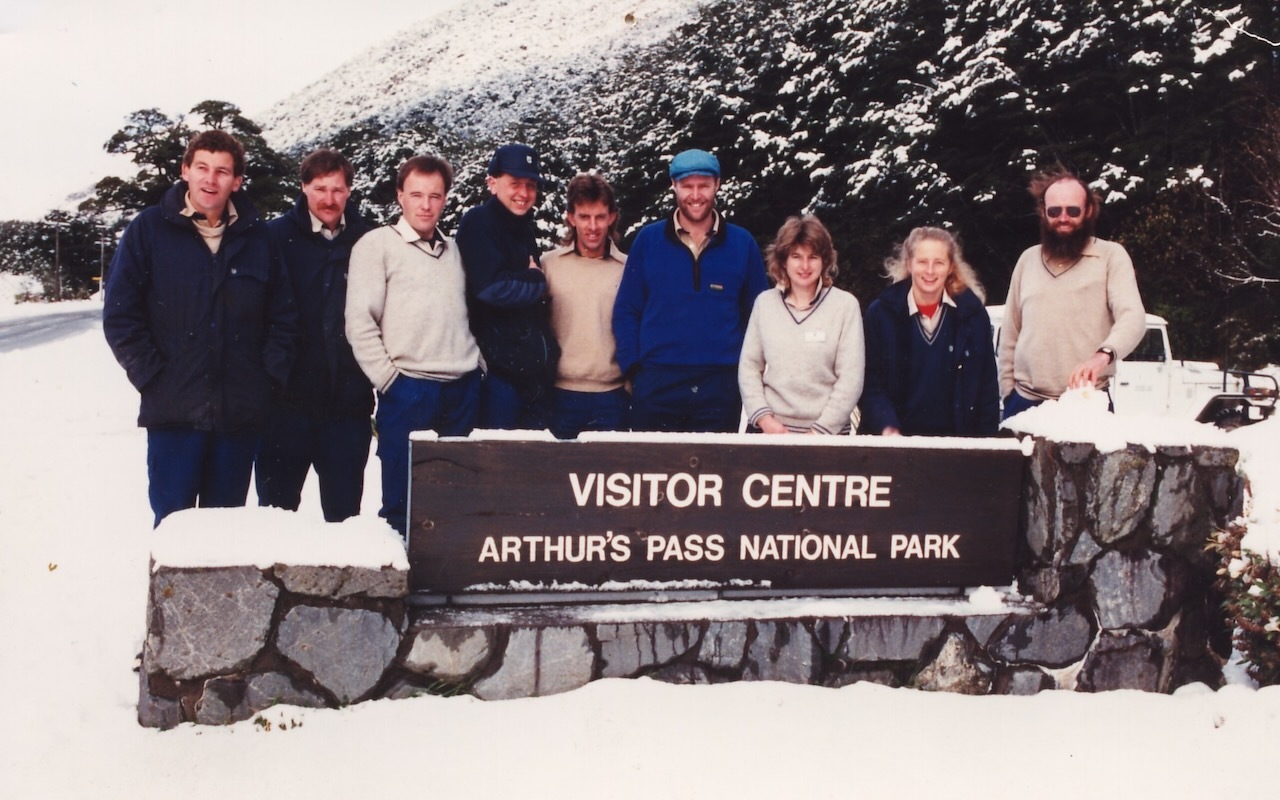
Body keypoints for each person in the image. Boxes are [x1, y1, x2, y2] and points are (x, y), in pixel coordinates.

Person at [103, 130, 297, 527]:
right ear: (185, 171)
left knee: (223, 533)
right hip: (173, 412)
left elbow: (284, 318)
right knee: (172, 528)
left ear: (236, 181)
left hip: (238, 416)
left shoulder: (259, 238)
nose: (211, 179)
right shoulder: (149, 229)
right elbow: (121, 315)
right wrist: (151, 377)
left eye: (222, 171)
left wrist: (264, 380)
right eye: (202, 168)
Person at [345, 155, 481, 536]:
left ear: (445, 199)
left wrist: (478, 366)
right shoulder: (376, 245)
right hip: (409, 390)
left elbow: (468, 312)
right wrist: (390, 381)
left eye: (435, 196)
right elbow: (359, 321)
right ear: (400, 196)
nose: (426, 205)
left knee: (455, 505)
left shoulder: (454, 251)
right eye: (417, 195)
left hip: (462, 388)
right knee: (402, 507)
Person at [613, 148, 769, 432]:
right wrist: (634, 369)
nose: (696, 195)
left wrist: (744, 372)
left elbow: (759, 317)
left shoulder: (742, 243)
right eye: (687, 186)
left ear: (717, 184)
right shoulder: (648, 241)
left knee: (714, 462)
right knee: (654, 462)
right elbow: (626, 310)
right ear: (674, 185)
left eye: (703, 186)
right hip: (657, 381)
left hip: (720, 385)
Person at [255, 148, 374, 522]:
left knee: (344, 517)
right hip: (284, 404)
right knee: (275, 515)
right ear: (304, 186)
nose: (329, 199)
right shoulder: (273, 237)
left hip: (347, 405)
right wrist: (270, 375)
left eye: (337, 189)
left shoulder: (368, 239)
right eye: (320, 188)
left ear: (349, 190)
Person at [998, 164, 1146, 419]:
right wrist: (1008, 393)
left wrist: (1103, 356)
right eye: (1054, 211)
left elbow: (1133, 318)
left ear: (1088, 211)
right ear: (1043, 212)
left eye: (1073, 210)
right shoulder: (1027, 260)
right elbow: (1010, 331)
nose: (1063, 218)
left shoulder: (1111, 257)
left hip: (1086, 403)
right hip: (1024, 404)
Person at [858, 227, 999, 436]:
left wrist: (984, 446)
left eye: (939, 262)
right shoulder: (881, 314)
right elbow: (870, 383)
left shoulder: (973, 315)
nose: (930, 271)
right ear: (909, 264)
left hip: (956, 444)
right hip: (895, 443)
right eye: (922, 262)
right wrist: (887, 427)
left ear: (951, 267)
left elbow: (987, 390)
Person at [456, 143, 558, 429]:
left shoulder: (523, 229)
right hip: (497, 379)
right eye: (515, 183)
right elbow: (492, 288)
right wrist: (535, 280)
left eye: (530, 185)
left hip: (532, 379)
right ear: (492, 183)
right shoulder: (479, 221)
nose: (523, 193)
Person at [739, 215, 864, 434]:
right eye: (796, 256)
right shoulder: (765, 304)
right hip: (770, 432)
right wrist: (765, 421)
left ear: (825, 261)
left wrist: (819, 432)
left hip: (827, 435)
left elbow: (851, 379)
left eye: (813, 257)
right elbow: (749, 367)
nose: (804, 266)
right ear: (783, 260)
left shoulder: (845, 306)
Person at [542, 174, 629, 439]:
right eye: (584, 217)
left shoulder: (628, 268)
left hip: (612, 397)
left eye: (600, 217)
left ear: (612, 217)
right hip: (560, 395)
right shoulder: (549, 265)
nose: (593, 226)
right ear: (571, 217)